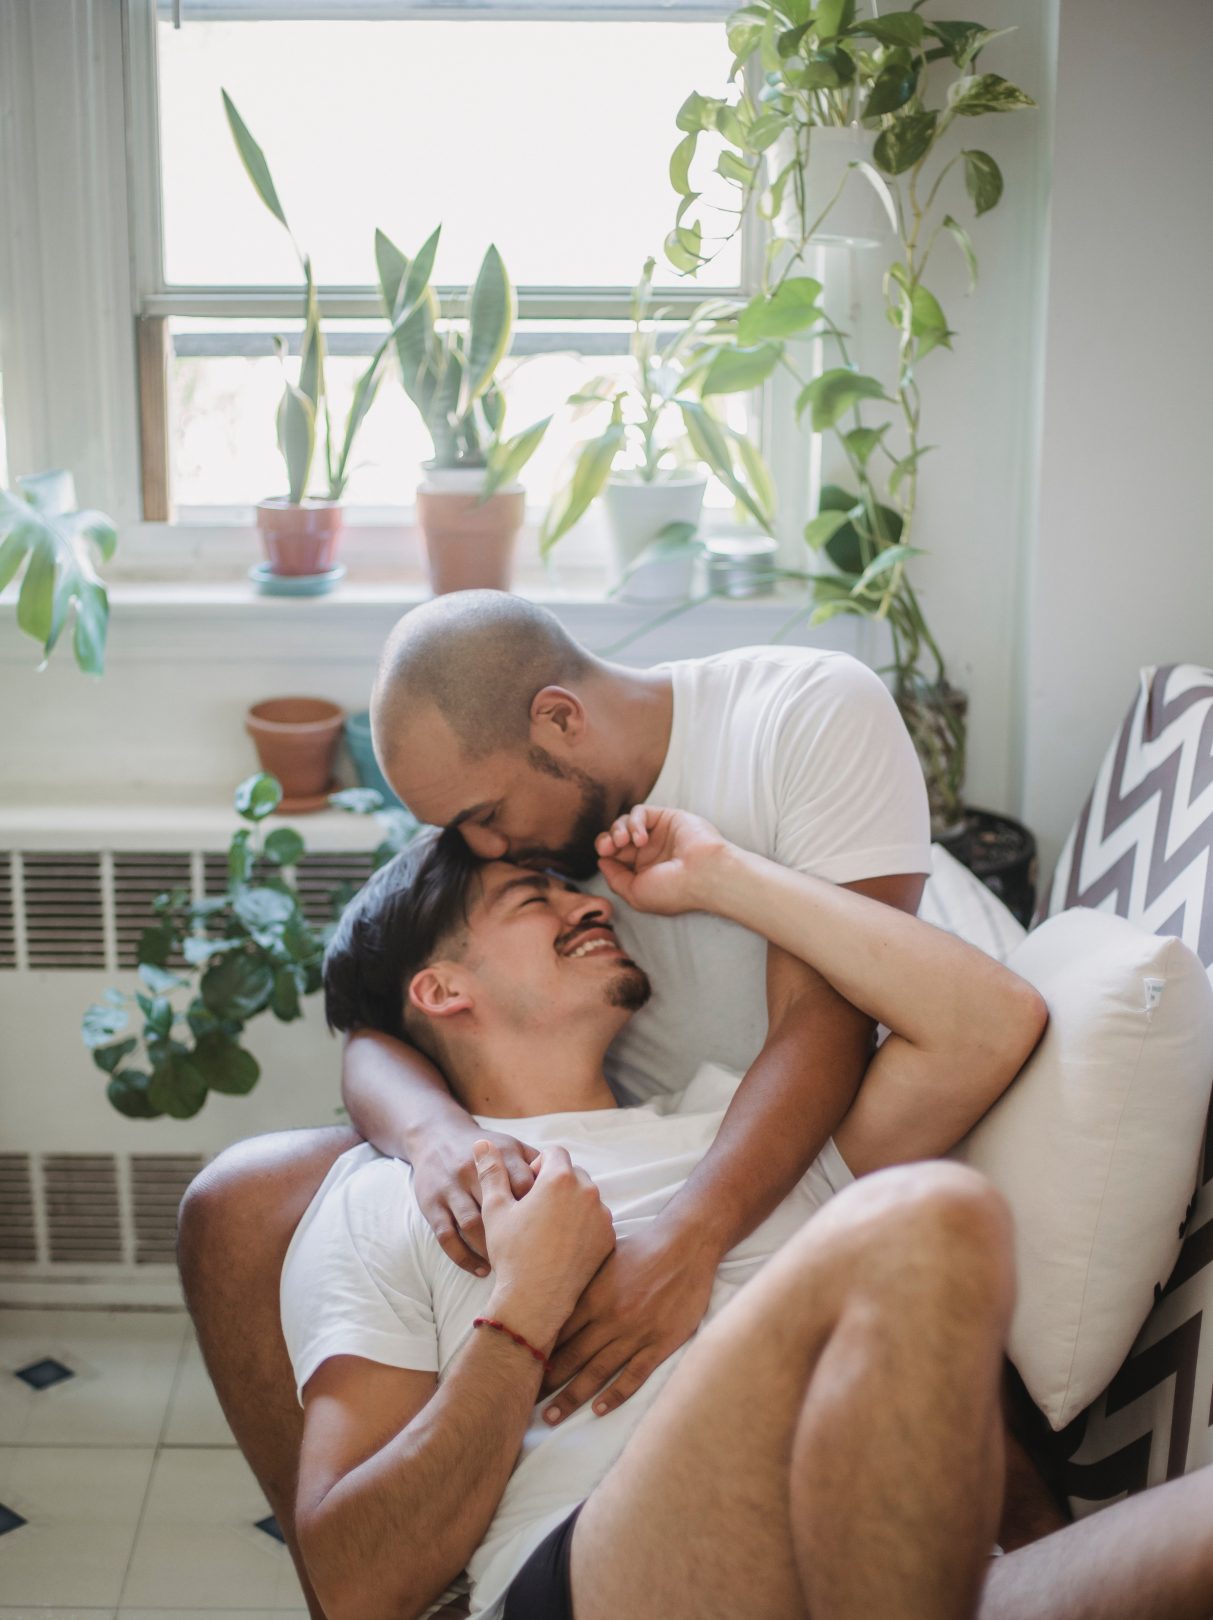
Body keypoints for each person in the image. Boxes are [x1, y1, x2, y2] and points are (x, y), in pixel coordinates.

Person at [178, 593, 1033, 1609]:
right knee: (241, 1200)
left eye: (488, 820)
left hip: (748, 1151)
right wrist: (439, 1138)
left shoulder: (797, 717)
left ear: (557, 720)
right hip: (598, 1250)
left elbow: (830, 1028)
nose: (494, 852)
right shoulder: (513, 843)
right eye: (479, 843)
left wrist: (688, 1238)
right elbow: (384, 1005)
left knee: (930, 1236)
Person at [287, 804, 1047, 1620]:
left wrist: (723, 875)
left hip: (899, 1563)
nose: (590, 904)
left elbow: (989, 1024)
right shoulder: (388, 1201)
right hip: (608, 1571)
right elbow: (351, 1586)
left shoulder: (739, 1137)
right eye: (530, 899)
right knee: (931, 1218)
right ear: (440, 990)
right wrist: (524, 1310)